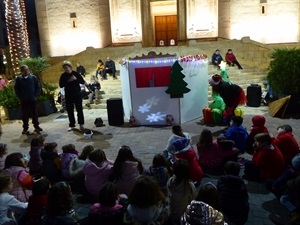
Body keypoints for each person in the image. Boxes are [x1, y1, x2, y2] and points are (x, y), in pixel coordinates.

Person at [166, 159, 197, 224]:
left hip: (172, 215)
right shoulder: (189, 186)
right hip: (185, 216)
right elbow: (193, 200)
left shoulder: (170, 182)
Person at [14, 65, 42, 135]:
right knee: (25, 115)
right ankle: (25, 128)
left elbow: (38, 87)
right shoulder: (19, 79)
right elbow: (16, 89)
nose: (26, 71)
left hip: (32, 99)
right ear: (21, 71)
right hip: (24, 100)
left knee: (34, 114)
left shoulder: (33, 78)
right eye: (24, 70)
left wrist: (35, 95)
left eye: (27, 69)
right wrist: (21, 96)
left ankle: (36, 126)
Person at [59, 61, 85, 132]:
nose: (66, 69)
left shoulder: (76, 74)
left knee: (79, 110)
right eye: (64, 68)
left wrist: (76, 79)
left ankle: (81, 124)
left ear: (70, 67)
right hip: (69, 95)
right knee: (70, 111)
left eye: (67, 67)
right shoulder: (63, 75)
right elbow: (61, 85)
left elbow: (82, 81)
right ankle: (72, 125)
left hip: (77, 95)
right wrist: (68, 81)